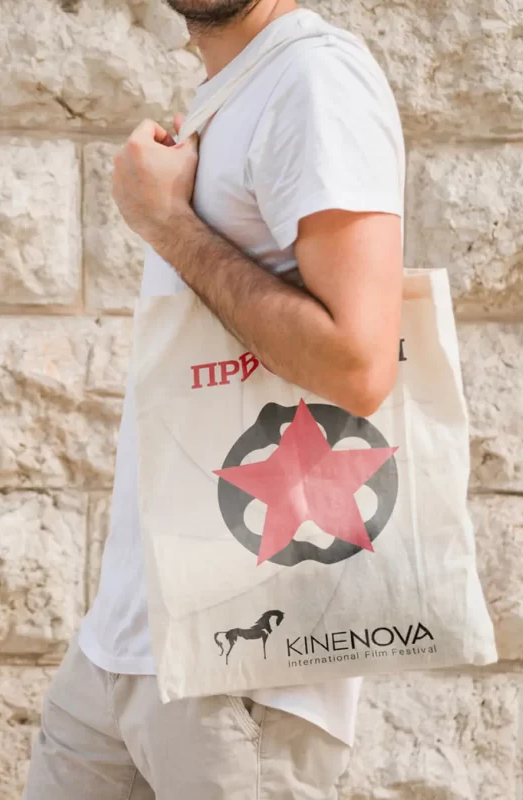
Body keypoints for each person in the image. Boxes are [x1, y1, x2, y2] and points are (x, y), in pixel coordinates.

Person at [23, 1, 405, 797]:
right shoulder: (236, 90)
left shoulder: (314, 78)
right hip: (124, 648)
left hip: (242, 676)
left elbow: (359, 363)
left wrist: (167, 223)